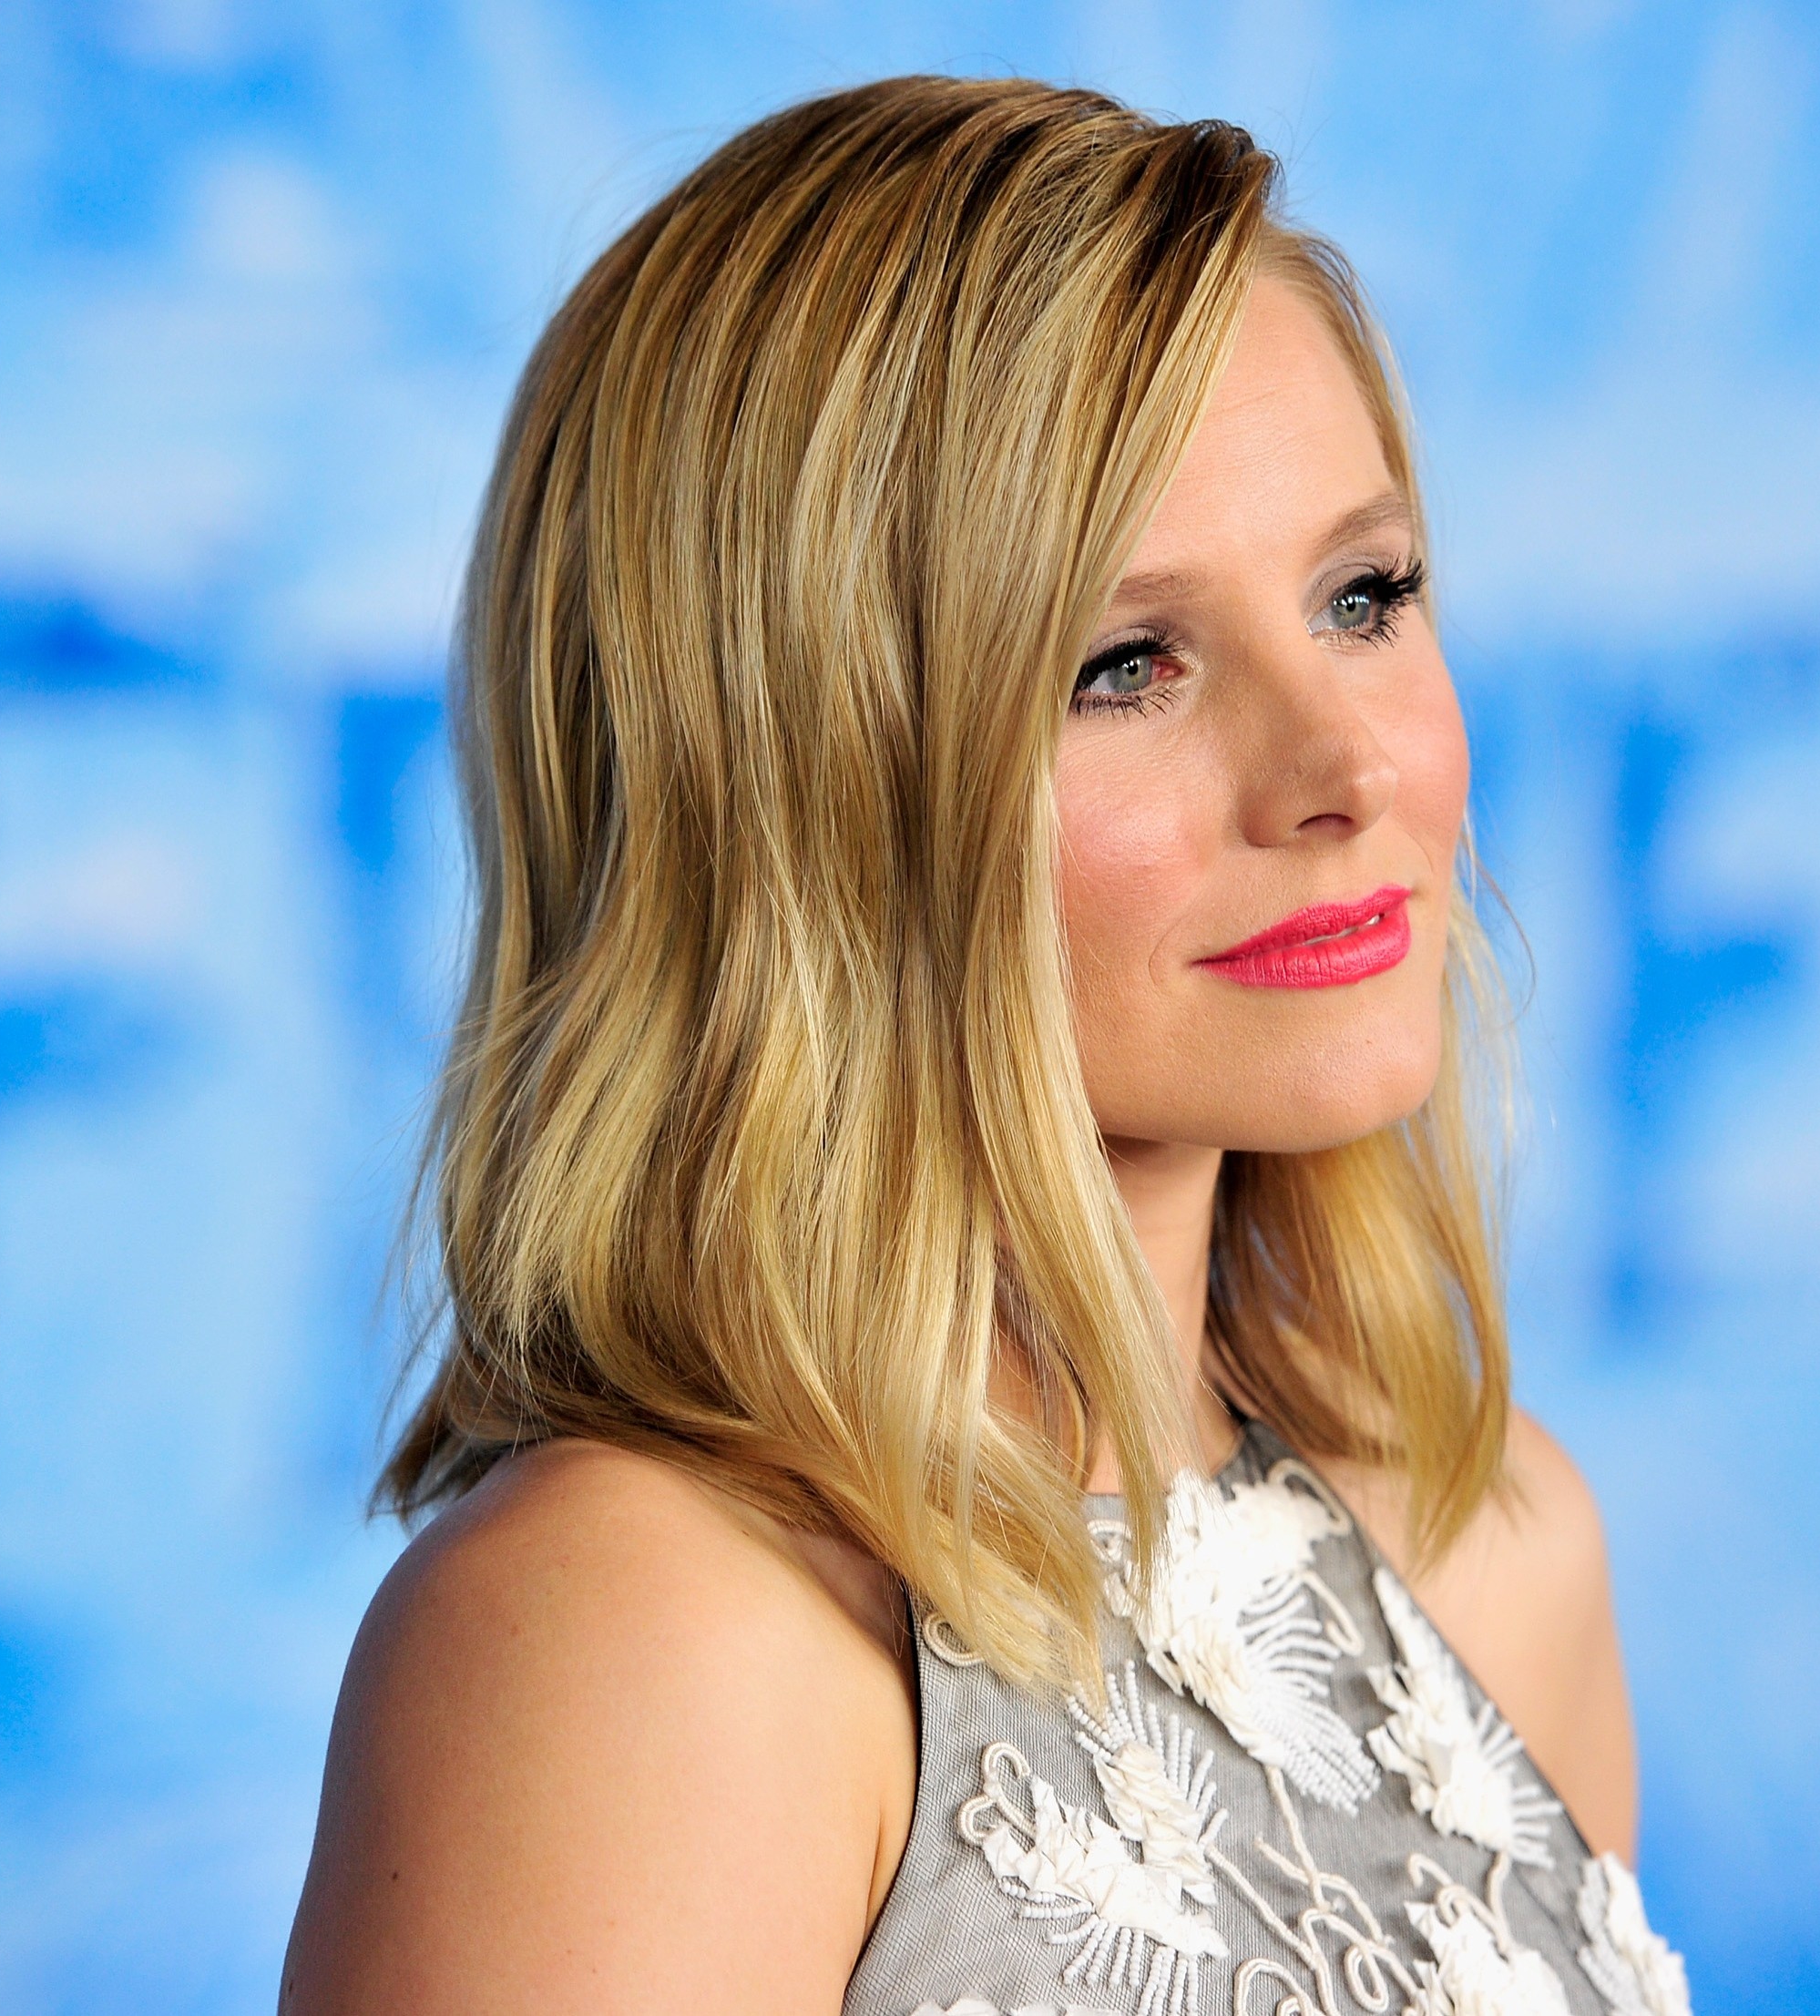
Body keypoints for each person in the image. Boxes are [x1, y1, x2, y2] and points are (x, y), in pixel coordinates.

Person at [280, 75, 1689, 2016]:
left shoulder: (1500, 1548)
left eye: (1362, 596)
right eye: (1126, 665)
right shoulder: (642, 1638)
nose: (1346, 766)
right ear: (790, 792)